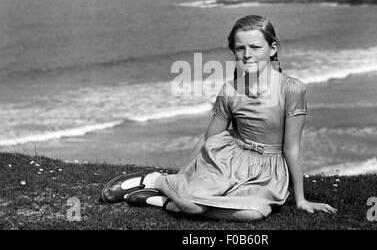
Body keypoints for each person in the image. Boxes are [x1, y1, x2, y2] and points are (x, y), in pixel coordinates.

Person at [101, 15, 337, 222]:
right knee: (193, 205)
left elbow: (292, 148)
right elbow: (209, 137)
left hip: (268, 171)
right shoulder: (229, 90)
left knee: (252, 213)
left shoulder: (293, 89)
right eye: (240, 48)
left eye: (255, 47)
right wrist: (182, 175)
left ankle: (162, 201)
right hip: (228, 161)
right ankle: (156, 180)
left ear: (272, 49)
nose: (247, 55)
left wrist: (301, 200)